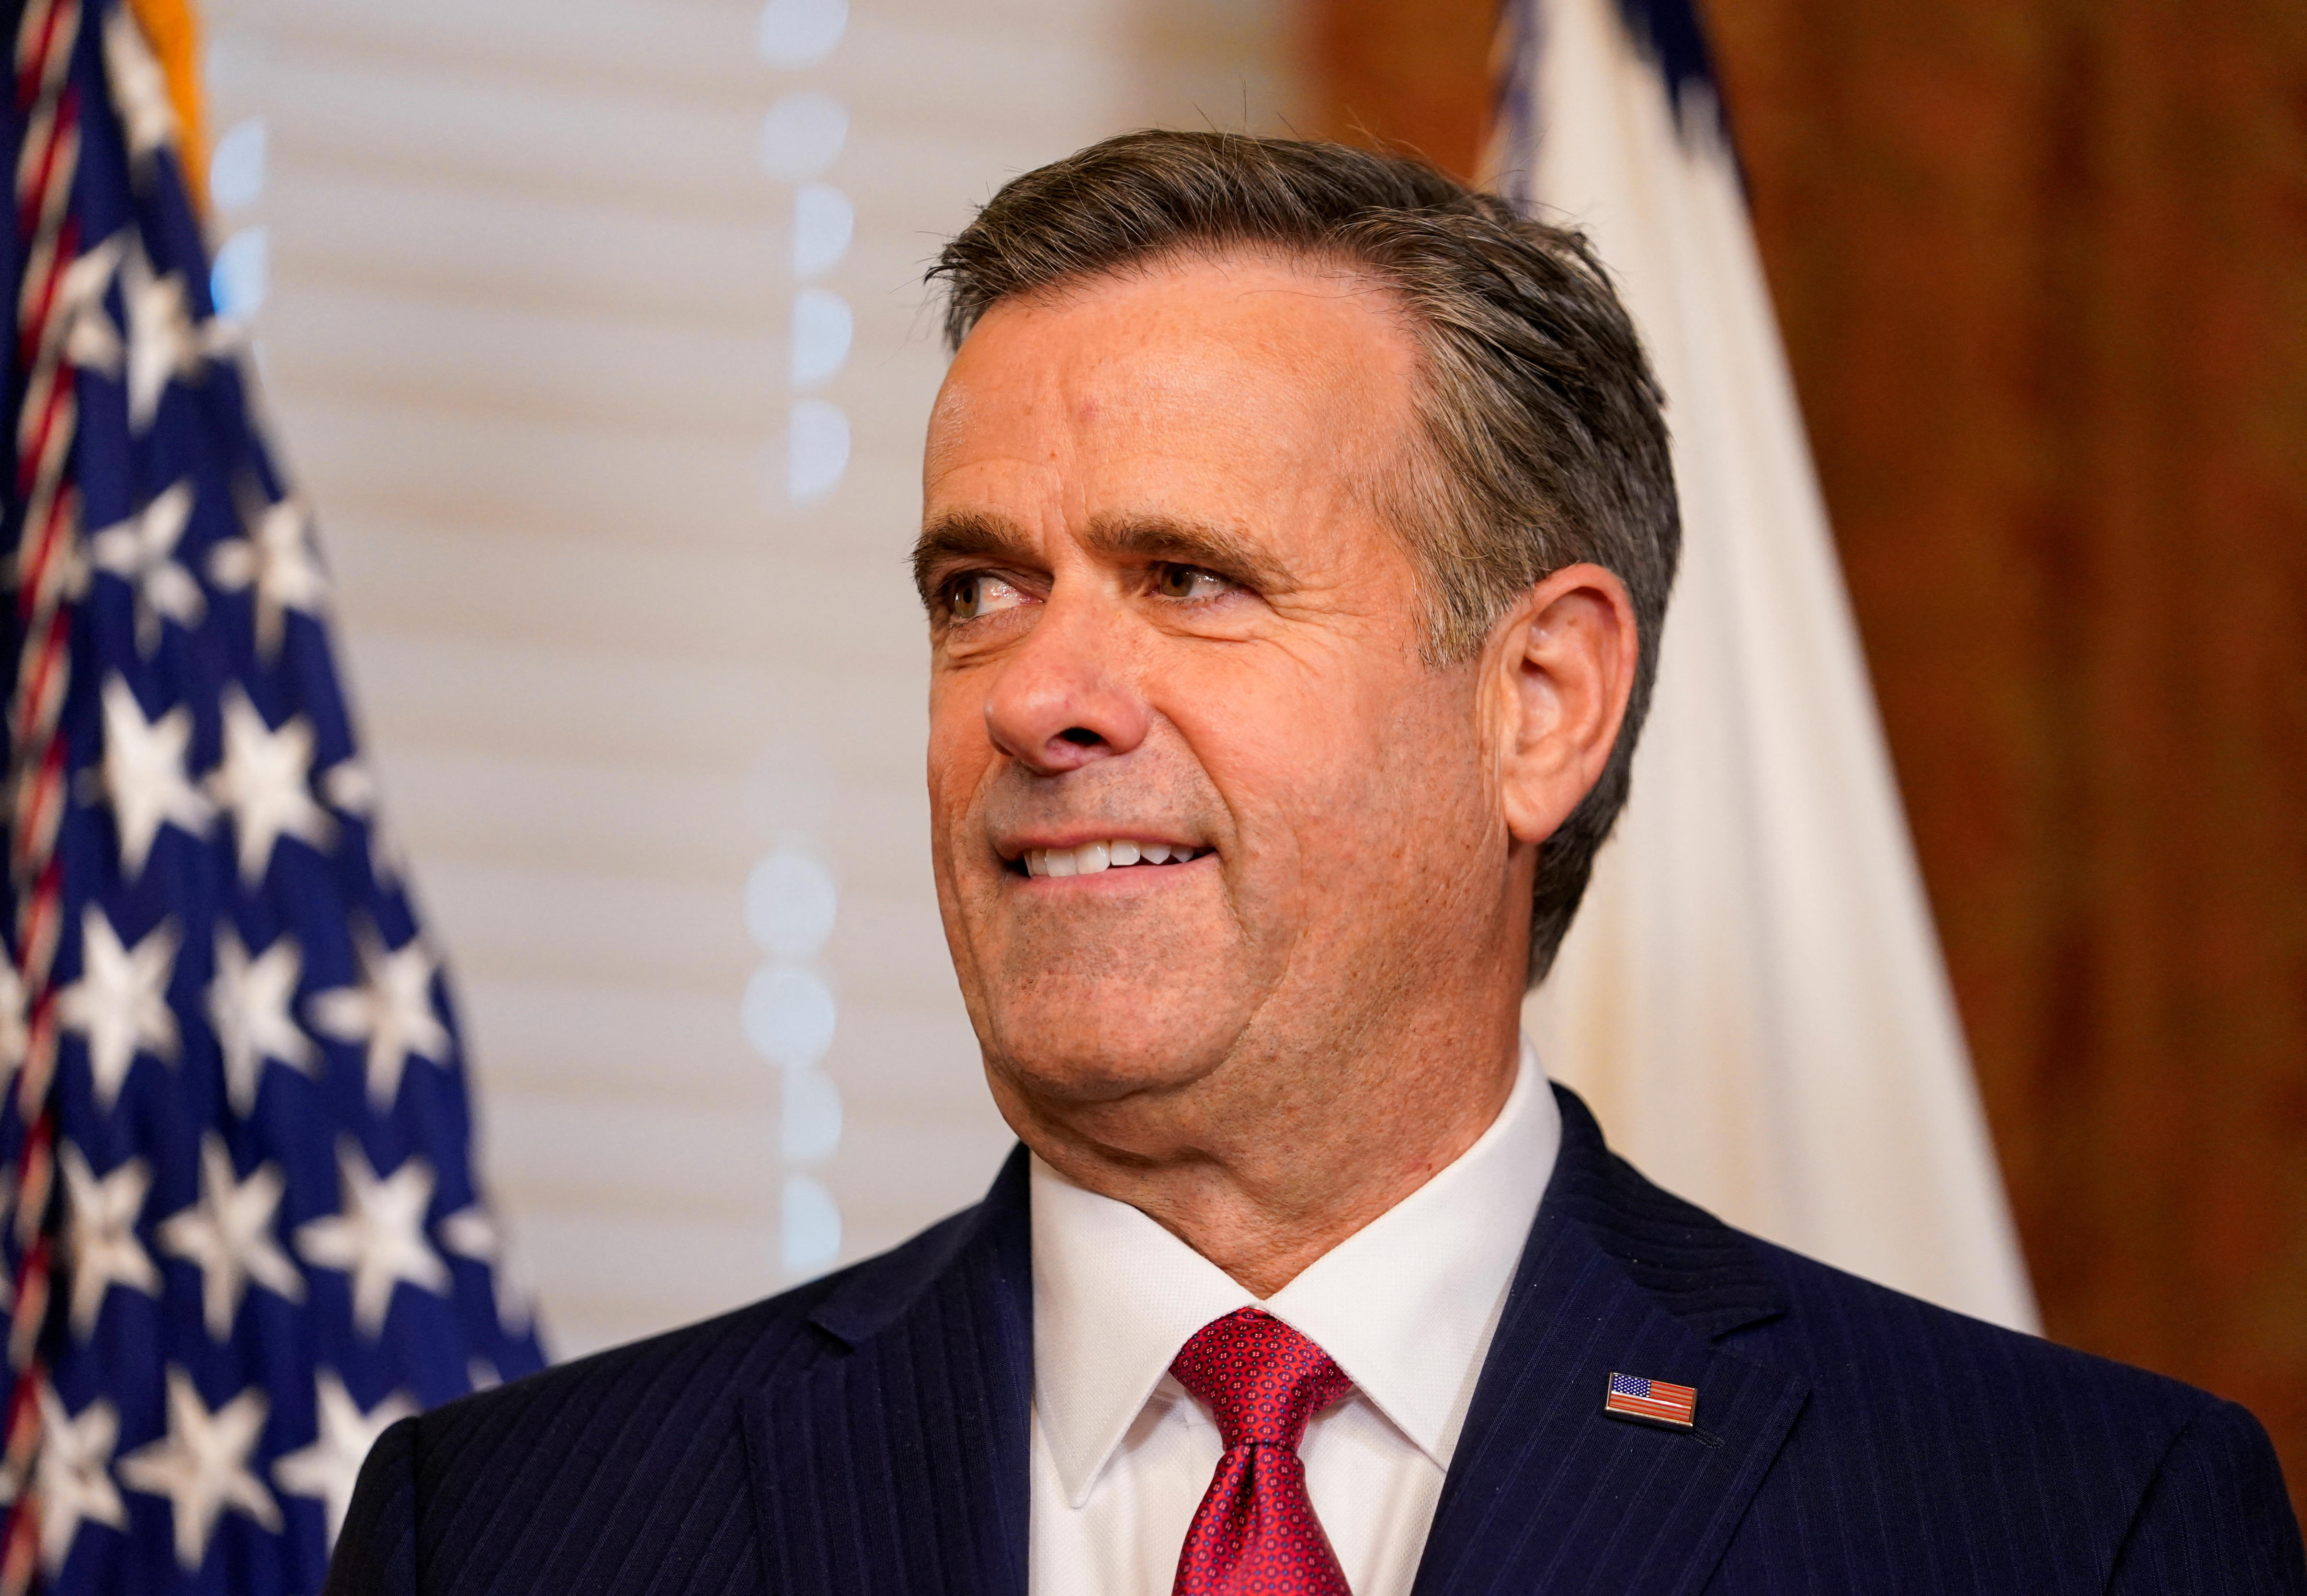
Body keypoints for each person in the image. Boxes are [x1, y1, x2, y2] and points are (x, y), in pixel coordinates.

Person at [325, 132, 2304, 1596]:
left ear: (1537, 701)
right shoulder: (511, 1536)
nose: (1036, 699)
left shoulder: (2060, 1531)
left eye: (1189, 580)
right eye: (976, 590)